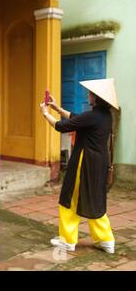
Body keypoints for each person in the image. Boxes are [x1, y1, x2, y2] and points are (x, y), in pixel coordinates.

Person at [39, 78, 119, 254]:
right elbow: (76, 118)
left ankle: (67, 241)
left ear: (97, 97)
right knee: (95, 200)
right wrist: (57, 108)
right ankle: (106, 240)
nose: (88, 95)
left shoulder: (92, 116)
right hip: (99, 163)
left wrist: (45, 113)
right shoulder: (105, 116)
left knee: (70, 199)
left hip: (84, 163)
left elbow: (62, 126)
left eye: (90, 93)